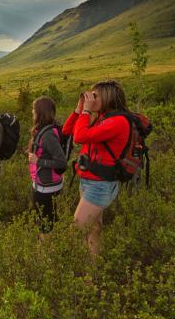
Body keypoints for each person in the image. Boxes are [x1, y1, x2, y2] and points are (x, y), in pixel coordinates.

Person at [62, 80, 130, 257]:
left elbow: (80, 137)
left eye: (95, 95)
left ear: (107, 97)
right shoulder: (101, 118)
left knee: (75, 230)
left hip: (100, 185)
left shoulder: (118, 122)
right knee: (94, 229)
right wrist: (79, 110)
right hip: (88, 181)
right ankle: (91, 275)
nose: (91, 98)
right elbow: (67, 130)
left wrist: (86, 111)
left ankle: (62, 274)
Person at [28, 97, 66, 235]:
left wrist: (38, 161)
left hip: (46, 188)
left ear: (40, 113)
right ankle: (47, 249)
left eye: (34, 109)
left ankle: (45, 253)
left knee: (44, 224)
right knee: (46, 221)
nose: (32, 112)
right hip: (44, 184)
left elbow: (61, 162)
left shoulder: (48, 134)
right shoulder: (45, 130)